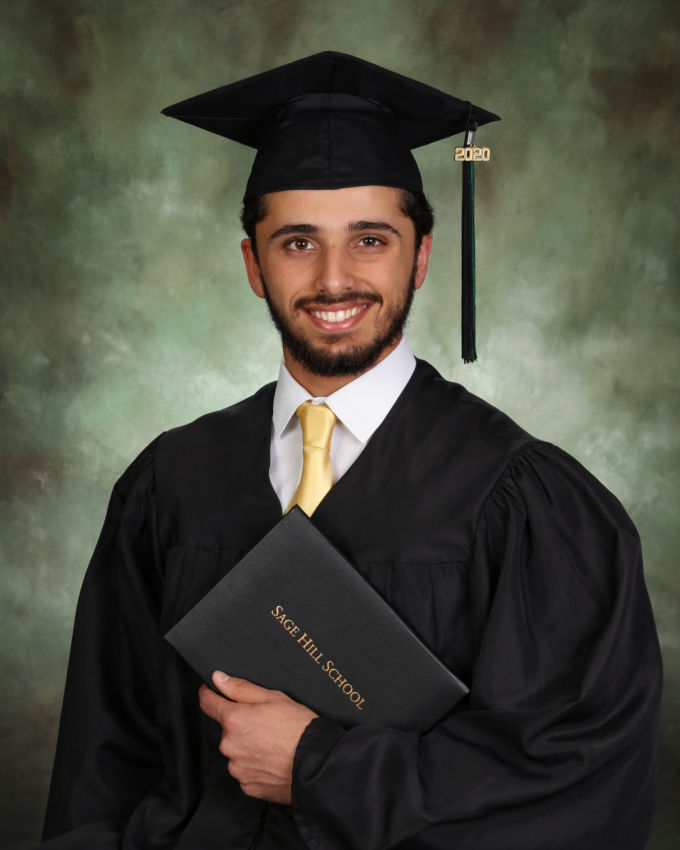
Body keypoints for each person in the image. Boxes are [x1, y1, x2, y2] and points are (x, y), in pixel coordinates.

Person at [40, 52, 661, 850]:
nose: (335, 279)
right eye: (298, 242)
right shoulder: (171, 483)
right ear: (253, 264)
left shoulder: (527, 503)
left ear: (421, 255)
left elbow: (574, 778)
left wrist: (319, 768)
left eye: (370, 239)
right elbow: (101, 766)